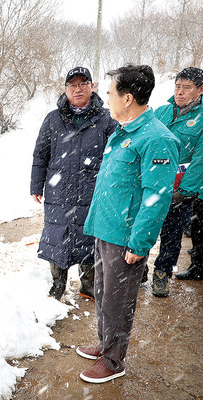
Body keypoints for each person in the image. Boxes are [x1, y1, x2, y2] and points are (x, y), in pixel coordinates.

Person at [77, 64, 180, 383]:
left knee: (118, 301)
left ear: (128, 98)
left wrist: (140, 242)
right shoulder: (122, 131)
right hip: (105, 229)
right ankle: (105, 343)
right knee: (102, 292)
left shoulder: (157, 139)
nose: (105, 98)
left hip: (126, 237)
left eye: (110, 93)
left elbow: (157, 196)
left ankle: (113, 360)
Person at [30, 66, 117, 301]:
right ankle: (58, 284)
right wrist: (36, 186)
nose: (78, 89)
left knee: (90, 237)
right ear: (65, 89)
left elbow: (117, 157)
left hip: (93, 191)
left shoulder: (107, 119)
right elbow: (41, 154)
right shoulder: (53, 118)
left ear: (92, 87)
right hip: (59, 192)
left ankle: (88, 285)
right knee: (56, 237)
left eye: (83, 84)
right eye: (72, 85)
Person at [150, 67, 203, 296]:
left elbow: (202, 159)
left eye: (187, 87)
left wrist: (184, 191)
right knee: (144, 228)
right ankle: (138, 268)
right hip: (154, 184)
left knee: (172, 234)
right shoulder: (161, 112)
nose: (180, 92)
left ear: (201, 90)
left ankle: (162, 273)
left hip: (179, 191)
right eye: (177, 86)